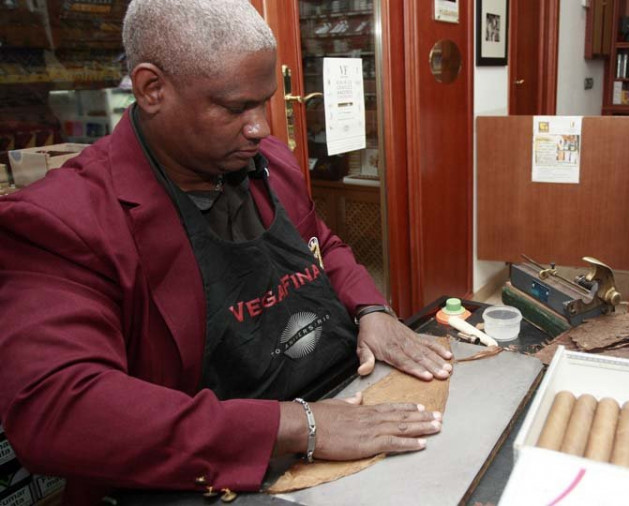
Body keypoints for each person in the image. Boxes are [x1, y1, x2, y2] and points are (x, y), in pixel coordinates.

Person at [0, 0, 453, 503]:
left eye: (264, 102)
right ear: (152, 89)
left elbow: (321, 241)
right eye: (237, 107)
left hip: (340, 394)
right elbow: (57, 412)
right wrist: (298, 426)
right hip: (218, 471)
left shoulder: (268, 161)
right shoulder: (62, 220)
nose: (260, 127)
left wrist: (371, 310)